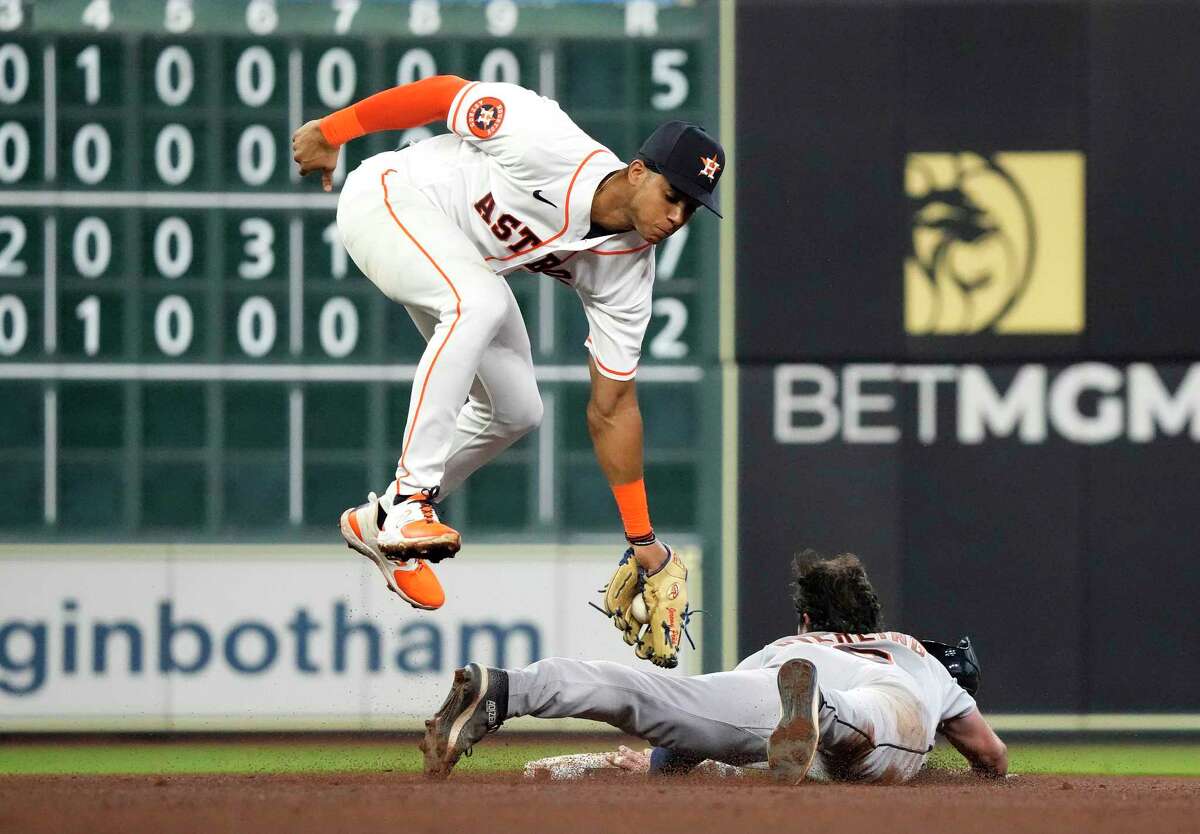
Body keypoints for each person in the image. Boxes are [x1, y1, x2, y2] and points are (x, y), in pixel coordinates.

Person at [291, 77, 724, 628]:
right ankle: (408, 505)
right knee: (477, 303)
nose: (677, 217)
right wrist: (334, 129)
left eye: (692, 208)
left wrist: (643, 540)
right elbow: (446, 93)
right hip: (388, 198)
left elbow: (613, 408)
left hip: (451, 257)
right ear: (638, 171)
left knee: (518, 409)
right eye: (673, 196)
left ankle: (379, 520)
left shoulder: (629, 273)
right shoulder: (546, 141)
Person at [420, 551, 1008, 784]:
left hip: (777, 680)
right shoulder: (914, 651)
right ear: (871, 613)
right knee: (868, 723)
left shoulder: (783, 646)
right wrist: (968, 773)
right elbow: (989, 754)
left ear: (807, 618)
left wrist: (657, 760)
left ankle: (505, 690)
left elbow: (691, 747)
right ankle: (822, 715)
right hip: (885, 691)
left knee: (647, 694)